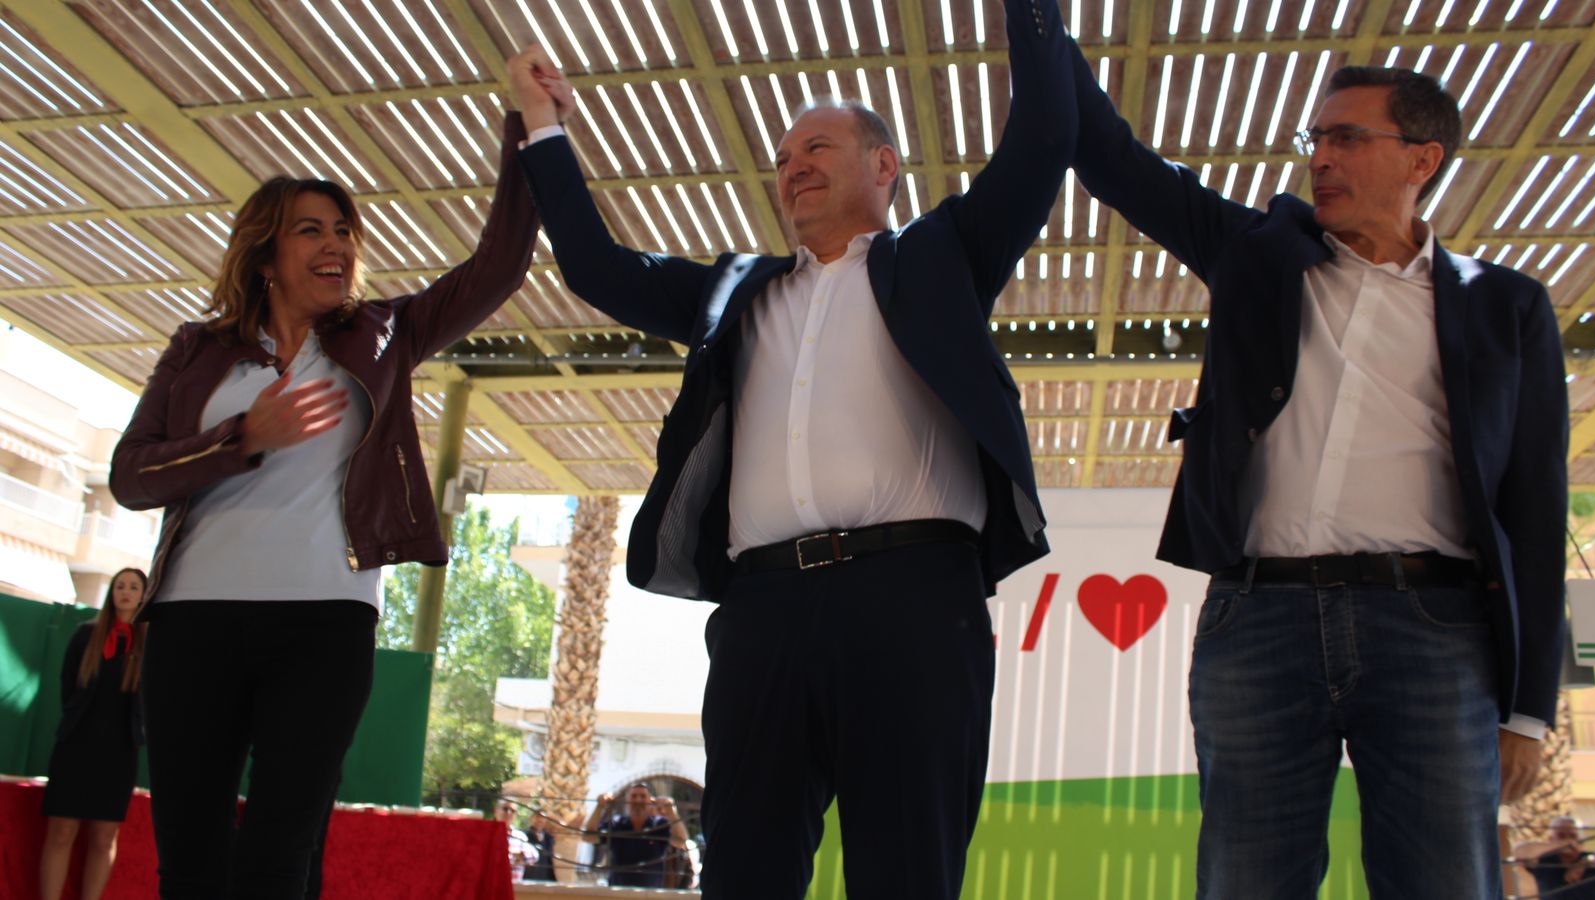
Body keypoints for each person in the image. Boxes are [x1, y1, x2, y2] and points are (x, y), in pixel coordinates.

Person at [509, 0, 1073, 894]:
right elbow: (595, 268)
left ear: (883, 166)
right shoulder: (736, 291)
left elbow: (1040, 146)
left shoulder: (942, 257)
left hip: (914, 602)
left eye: (817, 147)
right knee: (745, 871)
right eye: (781, 158)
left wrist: (1032, 15)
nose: (793, 166)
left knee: (907, 872)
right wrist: (542, 125)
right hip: (763, 612)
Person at [1056, 29, 1568, 900]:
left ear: (1423, 159)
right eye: (1316, 139)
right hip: (1258, 622)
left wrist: (1528, 706)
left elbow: (1535, 509)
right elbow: (1112, 159)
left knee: (1446, 884)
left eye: (1347, 138)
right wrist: (1036, 21)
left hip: (1436, 633)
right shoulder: (1259, 255)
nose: (1320, 158)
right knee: (1247, 883)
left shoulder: (1504, 304)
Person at [108, 45, 547, 900]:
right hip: (193, 625)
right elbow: (130, 476)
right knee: (191, 865)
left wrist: (527, 130)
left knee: (279, 860)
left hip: (325, 624)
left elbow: (498, 266)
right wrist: (242, 436)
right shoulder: (198, 349)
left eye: (344, 230)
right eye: (311, 229)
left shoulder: (385, 334)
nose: (337, 244)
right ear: (264, 255)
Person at [38, 568, 147, 900]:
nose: (125, 592)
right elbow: (67, 688)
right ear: (111, 592)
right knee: (61, 831)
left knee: (103, 838)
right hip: (76, 748)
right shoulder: (85, 635)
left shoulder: (151, 644)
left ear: (144, 596)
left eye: (134, 587)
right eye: (120, 586)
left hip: (119, 753)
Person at [580, 785, 686, 888]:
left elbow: (681, 841)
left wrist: (671, 812)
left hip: (650, 894)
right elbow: (588, 837)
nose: (638, 800)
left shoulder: (660, 824)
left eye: (643, 796)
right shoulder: (617, 823)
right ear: (627, 801)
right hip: (618, 893)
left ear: (650, 801)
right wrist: (599, 807)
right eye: (634, 796)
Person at [1515, 817, 1595, 899]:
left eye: (1573, 836)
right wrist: (1560, 845)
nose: (1568, 840)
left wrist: (1586, 861)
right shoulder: (1544, 860)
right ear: (1551, 839)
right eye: (1561, 836)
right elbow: (1519, 852)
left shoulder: (1591, 859)